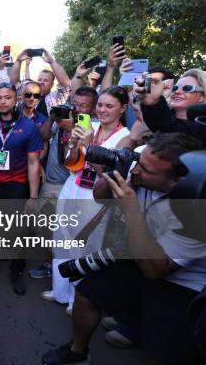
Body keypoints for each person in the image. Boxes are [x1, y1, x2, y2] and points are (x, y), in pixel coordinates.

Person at [43, 132, 205, 365]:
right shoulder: (142, 161)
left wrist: (130, 209)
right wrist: (116, 183)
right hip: (134, 255)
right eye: (138, 163)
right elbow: (99, 196)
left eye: (146, 171)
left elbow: (155, 270)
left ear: (177, 181)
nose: (137, 170)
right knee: (86, 294)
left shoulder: (196, 209)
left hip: (178, 280)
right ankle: (77, 352)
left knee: (166, 349)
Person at [43, 86, 130, 315]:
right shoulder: (87, 126)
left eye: (109, 106)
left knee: (86, 245)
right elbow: (71, 163)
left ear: (123, 108)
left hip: (95, 196)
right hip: (72, 186)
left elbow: (111, 177)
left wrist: (90, 146)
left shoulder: (125, 138)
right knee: (61, 239)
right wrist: (73, 143)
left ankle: (77, 300)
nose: (102, 110)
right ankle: (60, 292)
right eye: (100, 105)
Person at [30, 87, 99, 280]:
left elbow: (79, 164)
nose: (77, 109)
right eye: (75, 103)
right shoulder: (62, 118)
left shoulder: (91, 127)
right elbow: (42, 137)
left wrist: (71, 130)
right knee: (43, 227)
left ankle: (65, 273)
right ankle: (48, 265)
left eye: (83, 105)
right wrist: (53, 117)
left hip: (71, 185)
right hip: (51, 182)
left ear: (93, 109)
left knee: (65, 232)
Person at [0, 82, 44, 294]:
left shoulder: (28, 126)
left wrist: (34, 197)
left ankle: (17, 270)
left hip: (16, 184)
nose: (2, 102)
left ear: (16, 99)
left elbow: (34, 162)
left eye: (7, 98)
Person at [137, 68, 206, 145]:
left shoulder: (202, 127)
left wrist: (155, 103)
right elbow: (135, 135)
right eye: (175, 87)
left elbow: (176, 132)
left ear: (202, 96)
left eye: (187, 88)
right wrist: (156, 100)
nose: (177, 91)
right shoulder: (163, 116)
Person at [10, 48, 71, 116]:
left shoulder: (55, 98)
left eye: (46, 80)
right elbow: (15, 83)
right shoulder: (26, 92)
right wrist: (18, 61)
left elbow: (66, 85)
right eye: (39, 80)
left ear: (52, 84)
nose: (41, 82)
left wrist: (52, 62)